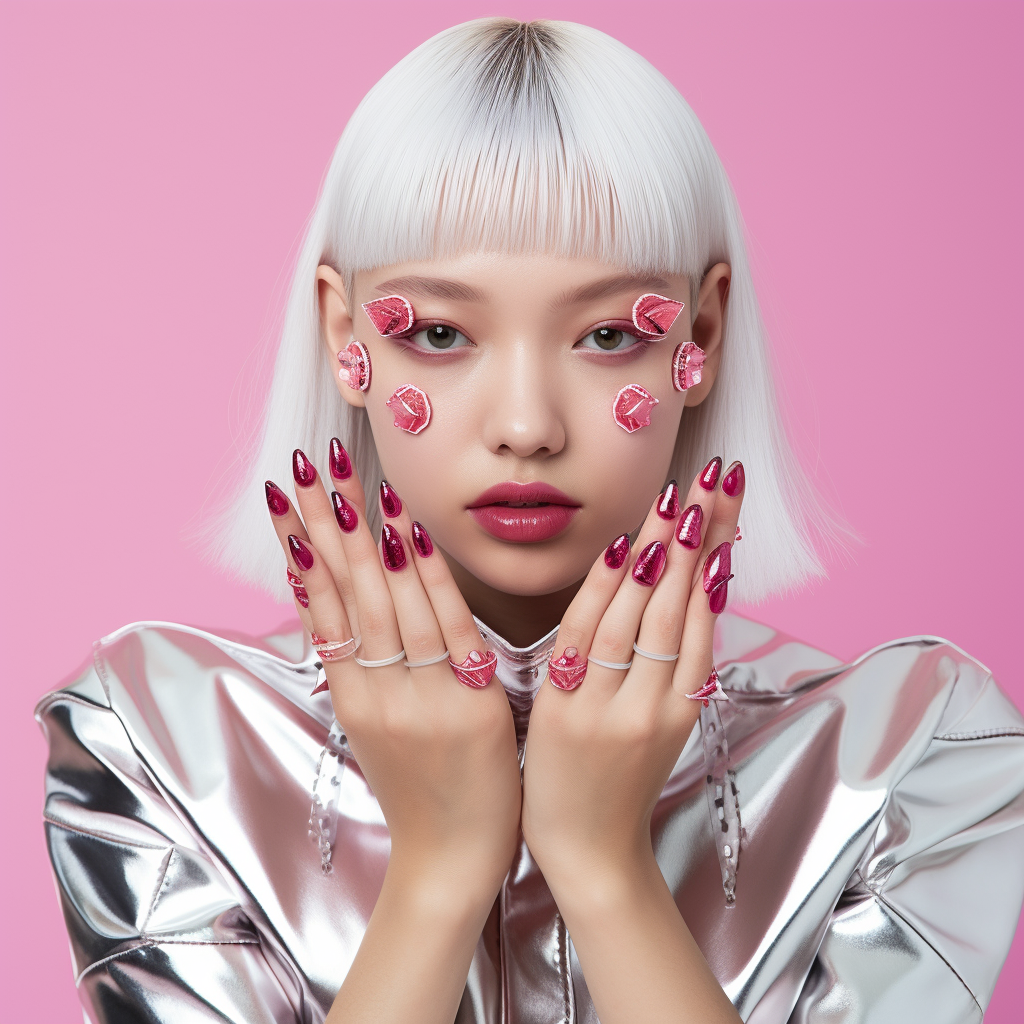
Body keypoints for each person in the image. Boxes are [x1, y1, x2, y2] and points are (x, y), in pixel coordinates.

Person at [35, 18, 1024, 1024]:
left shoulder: (909, 758)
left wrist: (603, 867)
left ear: (703, 333)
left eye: (604, 334)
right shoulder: (156, 741)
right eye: (438, 332)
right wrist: (435, 872)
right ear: (345, 334)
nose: (524, 425)